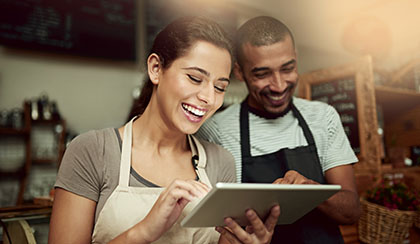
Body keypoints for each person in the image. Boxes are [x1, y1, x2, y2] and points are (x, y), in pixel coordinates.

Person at [48, 16, 280, 244]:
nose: (209, 98)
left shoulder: (221, 163)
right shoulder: (92, 152)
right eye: (194, 78)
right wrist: (145, 231)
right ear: (156, 68)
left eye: (220, 87)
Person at [196, 16, 361, 243]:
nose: (279, 85)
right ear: (239, 72)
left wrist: (310, 190)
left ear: (296, 59)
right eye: (262, 74)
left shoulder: (323, 118)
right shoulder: (215, 131)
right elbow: (213, 228)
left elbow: (351, 212)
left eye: (287, 69)